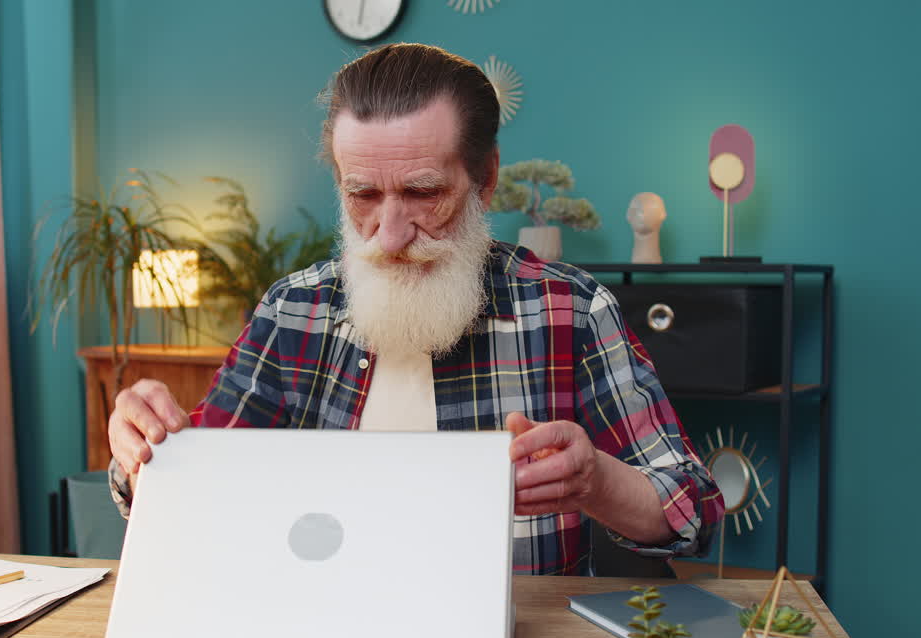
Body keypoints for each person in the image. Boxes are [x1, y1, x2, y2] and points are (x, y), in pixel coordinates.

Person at [107, 43, 722, 575]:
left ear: (485, 179)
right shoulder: (293, 312)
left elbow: (692, 510)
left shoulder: (572, 310)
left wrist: (597, 482)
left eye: (423, 193)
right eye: (363, 195)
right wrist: (143, 455)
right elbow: (194, 488)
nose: (390, 234)